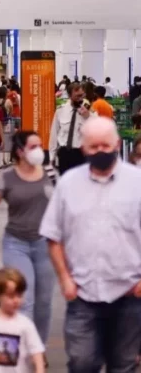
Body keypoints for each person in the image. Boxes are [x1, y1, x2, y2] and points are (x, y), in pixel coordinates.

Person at [40, 116, 141, 373]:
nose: (100, 152)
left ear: (117, 144)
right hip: (83, 294)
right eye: (93, 147)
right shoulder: (68, 185)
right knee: (81, 363)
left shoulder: (137, 183)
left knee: (124, 365)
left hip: (129, 293)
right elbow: (53, 236)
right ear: (83, 148)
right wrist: (64, 279)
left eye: (105, 146)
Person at [0, 131, 55, 354]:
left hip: (45, 243)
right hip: (16, 243)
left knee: (44, 302)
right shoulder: (8, 176)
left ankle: (39, 348)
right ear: (20, 151)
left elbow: (64, 202)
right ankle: (24, 352)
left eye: (40, 145)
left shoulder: (50, 173)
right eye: (33, 146)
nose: (40, 150)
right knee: (25, 298)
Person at [48, 83, 95, 175]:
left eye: (82, 95)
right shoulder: (60, 111)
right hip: (64, 153)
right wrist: (51, 157)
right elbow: (54, 134)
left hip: (81, 154)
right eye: (77, 96)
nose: (80, 98)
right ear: (70, 95)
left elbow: (97, 130)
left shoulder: (89, 111)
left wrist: (88, 116)